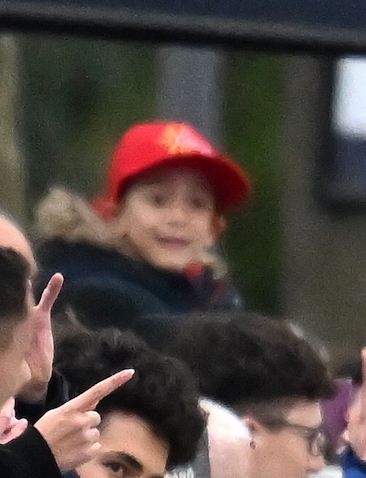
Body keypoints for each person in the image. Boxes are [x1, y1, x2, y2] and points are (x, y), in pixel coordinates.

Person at [39, 120, 247, 327]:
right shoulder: (90, 299)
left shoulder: (215, 298)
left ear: (214, 228)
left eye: (197, 204)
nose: (178, 218)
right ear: (115, 214)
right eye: (157, 200)